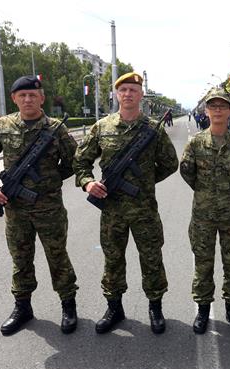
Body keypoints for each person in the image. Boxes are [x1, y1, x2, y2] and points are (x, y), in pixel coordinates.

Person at [0, 75, 79, 336]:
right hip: (16, 209)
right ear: (14, 98)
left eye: (33, 95)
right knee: (20, 259)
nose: (28, 99)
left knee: (57, 256)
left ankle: (68, 305)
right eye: (22, 95)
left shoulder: (55, 129)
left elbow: (75, 162)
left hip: (49, 208)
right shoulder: (2, 127)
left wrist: (50, 181)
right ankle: (22, 308)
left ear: (42, 98)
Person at [73, 72, 178, 335]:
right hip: (112, 210)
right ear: (116, 95)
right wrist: (88, 182)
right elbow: (80, 160)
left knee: (152, 259)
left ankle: (155, 307)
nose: (128, 94)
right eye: (123, 90)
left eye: (133, 89)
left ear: (141, 95)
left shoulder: (153, 129)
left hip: (144, 210)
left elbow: (170, 163)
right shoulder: (102, 127)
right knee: (113, 260)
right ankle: (114, 308)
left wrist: (146, 182)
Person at [180, 88, 230, 334]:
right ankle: (203, 309)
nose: (218, 110)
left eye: (222, 106)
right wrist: (205, 191)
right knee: (203, 264)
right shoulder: (196, 143)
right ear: (206, 110)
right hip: (203, 215)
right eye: (213, 106)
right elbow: (187, 172)